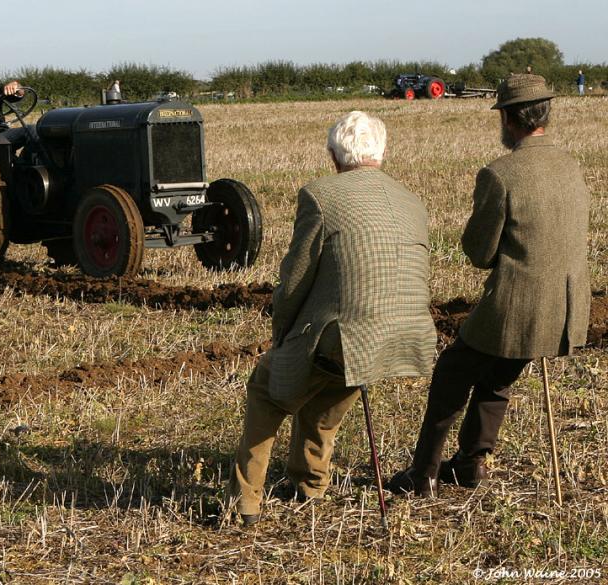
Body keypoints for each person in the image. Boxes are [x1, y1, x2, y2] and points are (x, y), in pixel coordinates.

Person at [226, 111, 437, 525]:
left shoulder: (320, 196)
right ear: (382, 151)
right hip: (404, 333)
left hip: (345, 335)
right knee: (329, 388)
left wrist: (282, 331)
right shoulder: (411, 200)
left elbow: (296, 277)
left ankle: (245, 503)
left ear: (332, 154)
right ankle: (310, 484)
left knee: (267, 390)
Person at [387, 74, 591, 497]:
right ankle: (470, 463)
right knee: (497, 378)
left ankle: (423, 474)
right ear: (544, 114)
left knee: (450, 376)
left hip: (515, 307)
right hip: (566, 309)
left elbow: (478, 253)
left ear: (509, 120)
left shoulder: (500, 174)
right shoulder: (572, 164)